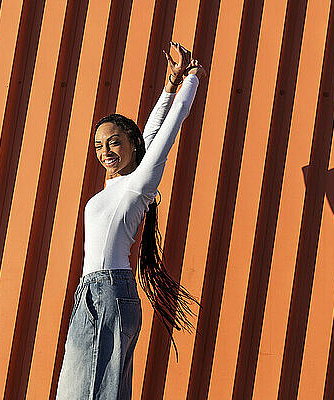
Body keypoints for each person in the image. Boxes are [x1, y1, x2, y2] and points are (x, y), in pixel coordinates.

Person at [55, 42, 206, 399]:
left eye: (114, 142)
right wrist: (170, 84)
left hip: (107, 292)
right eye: (99, 146)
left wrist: (192, 80)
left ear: (131, 145)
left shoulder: (137, 187)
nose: (105, 151)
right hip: (94, 293)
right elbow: (150, 131)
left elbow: (164, 133)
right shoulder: (121, 185)